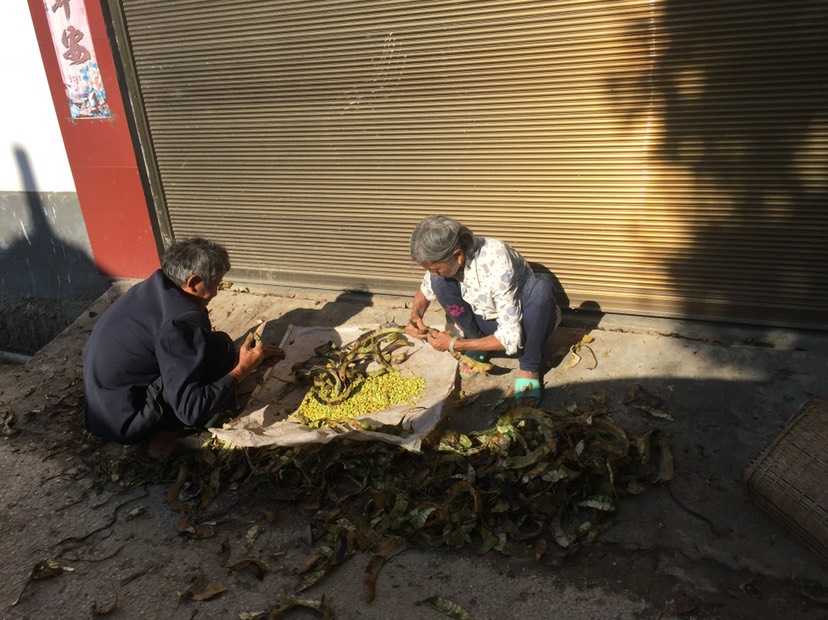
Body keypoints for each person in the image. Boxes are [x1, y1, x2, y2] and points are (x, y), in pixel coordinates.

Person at [82, 237, 284, 457]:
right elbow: (191, 410)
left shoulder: (151, 287)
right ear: (194, 282)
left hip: (102, 407)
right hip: (128, 421)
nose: (217, 292)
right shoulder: (181, 320)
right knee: (213, 368)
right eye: (216, 283)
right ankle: (165, 439)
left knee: (219, 346)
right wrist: (241, 370)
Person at [405, 215, 559, 405]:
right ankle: (477, 343)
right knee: (438, 283)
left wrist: (456, 344)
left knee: (541, 287)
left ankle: (530, 364)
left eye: (435, 269)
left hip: (525, 324)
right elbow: (424, 291)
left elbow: (511, 337)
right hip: (487, 319)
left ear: (457, 255)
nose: (432, 273)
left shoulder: (496, 261)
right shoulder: (444, 261)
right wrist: (415, 316)